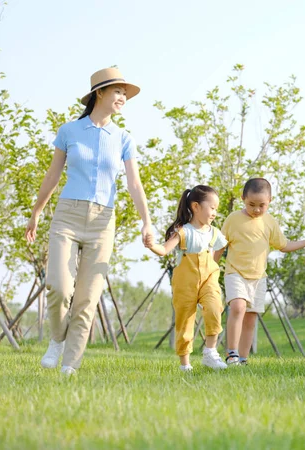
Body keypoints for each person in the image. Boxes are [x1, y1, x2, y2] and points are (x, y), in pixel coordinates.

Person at [25, 67, 154, 375]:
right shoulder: (68, 131)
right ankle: (57, 339)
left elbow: (134, 184)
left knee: (87, 298)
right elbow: (53, 175)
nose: (123, 97)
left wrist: (146, 221)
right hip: (67, 216)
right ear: (100, 93)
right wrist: (36, 212)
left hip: (102, 222)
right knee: (58, 286)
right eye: (117, 91)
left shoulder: (124, 138)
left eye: (125, 93)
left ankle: (70, 365)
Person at [218, 178, 305, 365]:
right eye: (251, 204)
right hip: (235, 273)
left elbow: (285, 245)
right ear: (243, 198)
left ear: (270, 201)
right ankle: (231, 353)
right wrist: (211, 267)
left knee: (251, 318)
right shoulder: (233, 219)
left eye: (261, 205)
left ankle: (243, 358)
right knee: (238, 307)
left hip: (258, 278)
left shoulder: (269, 222)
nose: (256, 209)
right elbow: (220, 245)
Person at [148, 185, 228, 371]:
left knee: (215, 307)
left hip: (209, 278)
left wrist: (213, 263)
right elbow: (164, 250)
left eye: (216, 208)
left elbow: (221, 245)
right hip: (185, 282)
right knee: (185, 320)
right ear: (196, 207)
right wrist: (152, 245)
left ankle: (210, 352)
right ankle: (185, 364)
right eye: (212, 207)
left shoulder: (213, 232)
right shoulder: (183, 232)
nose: (215, 212)